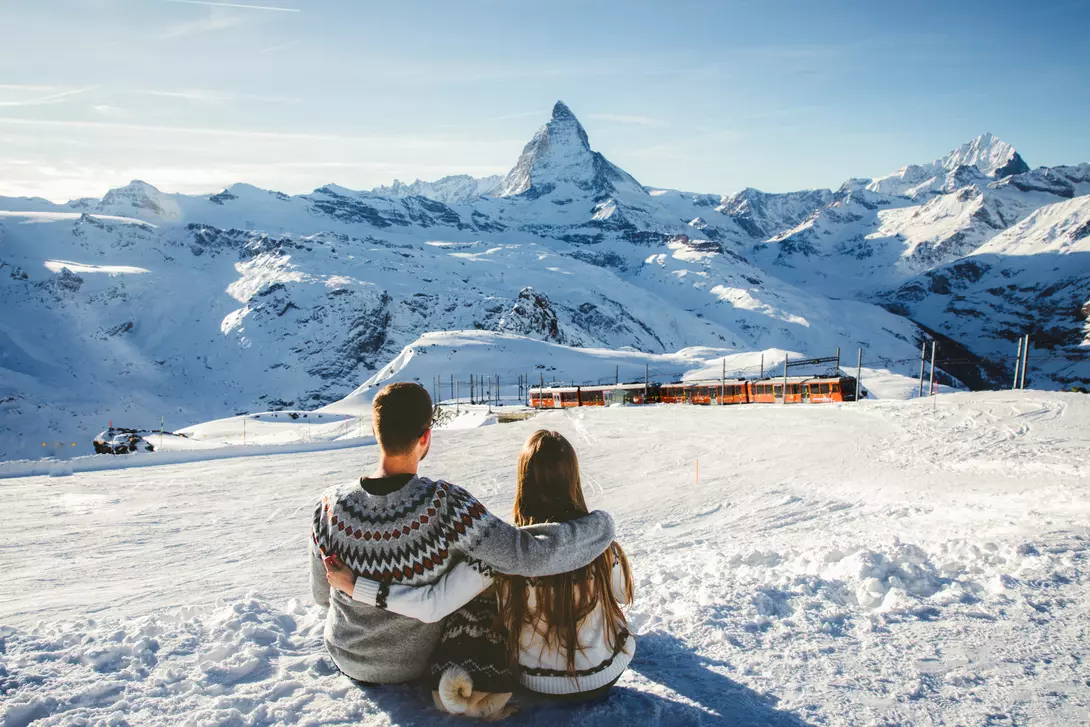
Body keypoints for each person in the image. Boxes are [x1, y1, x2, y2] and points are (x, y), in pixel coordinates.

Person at [309, 383, 616, 688]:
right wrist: (601, 525)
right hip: (417, 662)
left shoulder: (329, 505)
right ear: (425, 437)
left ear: (376, 433)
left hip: (346, 655)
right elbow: (527, 555)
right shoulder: (444, 506)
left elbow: (323, 595)